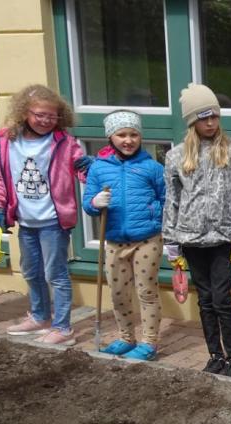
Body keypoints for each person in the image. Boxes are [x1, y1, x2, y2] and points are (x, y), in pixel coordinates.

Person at [163, 83, 231, 378]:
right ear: (192, 121)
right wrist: (171, 244)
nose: (211, 123)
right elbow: (172, 202)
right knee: (204, 300)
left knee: (222, 299)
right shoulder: (176, 157)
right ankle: (215, 354)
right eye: (204, 118)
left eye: (214, 116)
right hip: (190, 240)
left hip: (222, 239)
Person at [0, 84, 85, 344]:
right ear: (24, 113)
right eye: (39, 115)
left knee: (56, 273)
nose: (45, 121)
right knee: (31, 271)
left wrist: (97, 168)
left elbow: (84, 172)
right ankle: (41, 317)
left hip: (54, 220)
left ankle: (63, 328)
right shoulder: (8, 141)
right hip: (25, 220)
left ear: (60, 116)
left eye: (51, 116)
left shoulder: (65, 143)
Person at [82, 110, 165, 360]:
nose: (128, 140)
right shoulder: (98, 169)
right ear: (111, 137)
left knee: (146, 291)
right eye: (121, 135)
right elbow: (87, 204)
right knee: (118, 291)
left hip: (147, 239)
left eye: (133, 134)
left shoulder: (152, 167)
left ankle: (149, 341)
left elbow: (166, 198)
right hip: (115, 240)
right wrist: (96, 202)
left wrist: (156, 216)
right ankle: (126, 337)